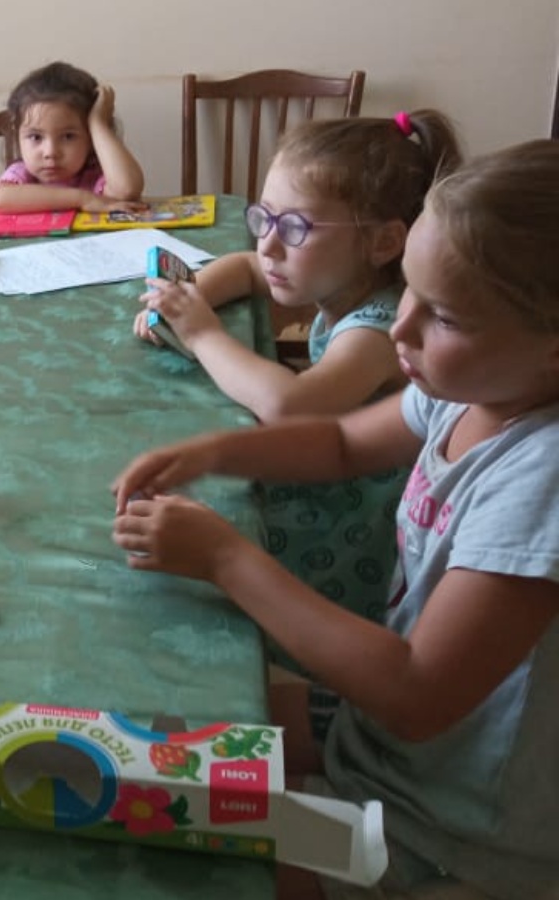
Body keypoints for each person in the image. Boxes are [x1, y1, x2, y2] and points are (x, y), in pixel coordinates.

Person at [111, 140, 559, 899]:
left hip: (443, 830)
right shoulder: (470, 390)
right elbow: (342, 443)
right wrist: (216, 451)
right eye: (409, 292)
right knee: (151, 733)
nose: (400, 330)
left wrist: (226, 558)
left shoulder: (542, 478)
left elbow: (417, 693)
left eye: (444, 316)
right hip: (376, 741)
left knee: (181, 857)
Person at [133, 111, 462, 628]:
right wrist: (189, 297)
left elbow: (290, 405)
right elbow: (246, 267)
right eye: (264, 218)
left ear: (382, 242)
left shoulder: (380, 328)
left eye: (295, 228)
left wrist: (200, 333)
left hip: (346, 534)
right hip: (323, 475)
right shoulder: (341, 279)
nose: (267, 245)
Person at [0, 61, 146, 214]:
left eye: (68, 137)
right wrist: (83, 199)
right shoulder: (22, 173)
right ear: (18, 137)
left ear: (91, 139)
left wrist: (98, 123)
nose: (50, 152)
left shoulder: (93, 175)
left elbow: (127, 190)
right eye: (36, 137)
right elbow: (0, 199)